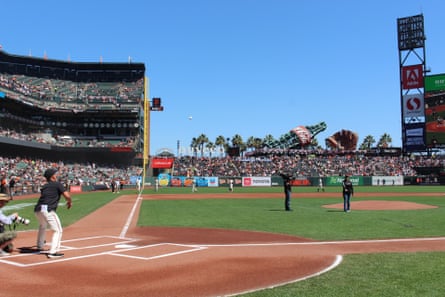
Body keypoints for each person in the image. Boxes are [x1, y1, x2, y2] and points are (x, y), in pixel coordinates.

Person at [34, 168, 72, 259]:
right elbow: (67, 195)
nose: (57, 175)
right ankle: (53, 252)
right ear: (52, 176)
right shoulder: (58, 184)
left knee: (42, 226)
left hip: (38, 209)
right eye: (55, 174)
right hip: (48, 210)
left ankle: (39, 245)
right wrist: (69, 202)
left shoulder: (45, 186)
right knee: (58, 230)